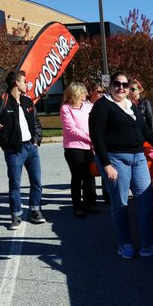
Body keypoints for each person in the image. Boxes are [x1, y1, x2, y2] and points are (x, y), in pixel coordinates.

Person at [89, 71, 153, 259]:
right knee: (120, 204)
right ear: (110, 85)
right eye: (117, 84)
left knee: (146, 201)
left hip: (138, 158)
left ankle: (147, 245)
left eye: (125, 85)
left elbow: (144, 129)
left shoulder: (131, 105)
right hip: (116, 159)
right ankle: (125, 244)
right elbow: (96, 137)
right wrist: (106, 165)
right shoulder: (102, 106)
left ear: (129, 88)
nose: (121, 88)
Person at [0, 70, 46, 230]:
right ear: (16, 83)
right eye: (24, 81)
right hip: (14, 151)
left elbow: (36, 123)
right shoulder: (0, 103)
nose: (27, 84)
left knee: (37, 182)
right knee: (15, 185)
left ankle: (35, 210)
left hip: (31, 148)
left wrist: (36, 141)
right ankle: (16, 215)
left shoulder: (28, 102)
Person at [60, 82, 97, 218]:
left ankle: (89, 204)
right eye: (82, 92)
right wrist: (90, 138)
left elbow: (96, 121)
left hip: (89, 147)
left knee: (89, 176)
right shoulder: (66, 109)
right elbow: (71, 130)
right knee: (77, 177)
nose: (85, 95)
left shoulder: (88, 106)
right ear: (75, 94)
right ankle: (77, 207)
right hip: (74, 147)